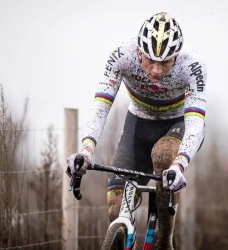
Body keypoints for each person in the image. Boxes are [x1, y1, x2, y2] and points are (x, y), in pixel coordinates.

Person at [67, 12, 206, 250]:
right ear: (139, 51)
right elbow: (101, 105)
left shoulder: (191, 66)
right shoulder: (122, 55)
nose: (155, 70)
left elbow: (195, 122)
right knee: (114, 206)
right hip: (138, 124)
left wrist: (179, 165)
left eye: (165, 62)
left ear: (177, 57)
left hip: (176, 124)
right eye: (149, 60)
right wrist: (86, 150)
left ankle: (165, 241)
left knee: (164, 157)